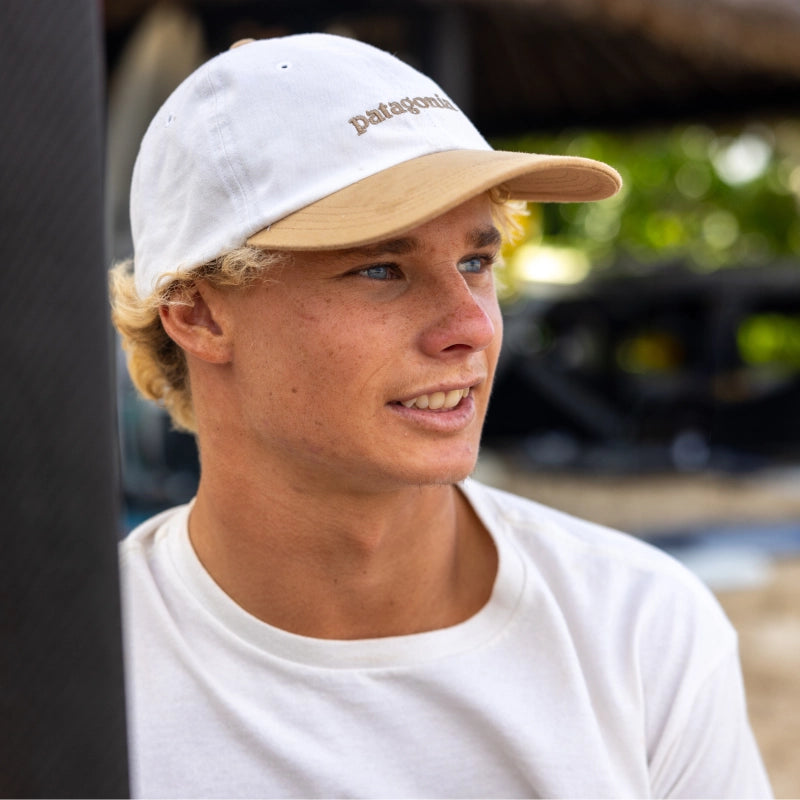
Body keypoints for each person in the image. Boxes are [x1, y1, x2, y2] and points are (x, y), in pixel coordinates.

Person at [112, 32, 772, 798]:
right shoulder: (68, 668)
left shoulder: (641, 631)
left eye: (476, 263)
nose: (473, 326)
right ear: (196, 314)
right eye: (380, 268)